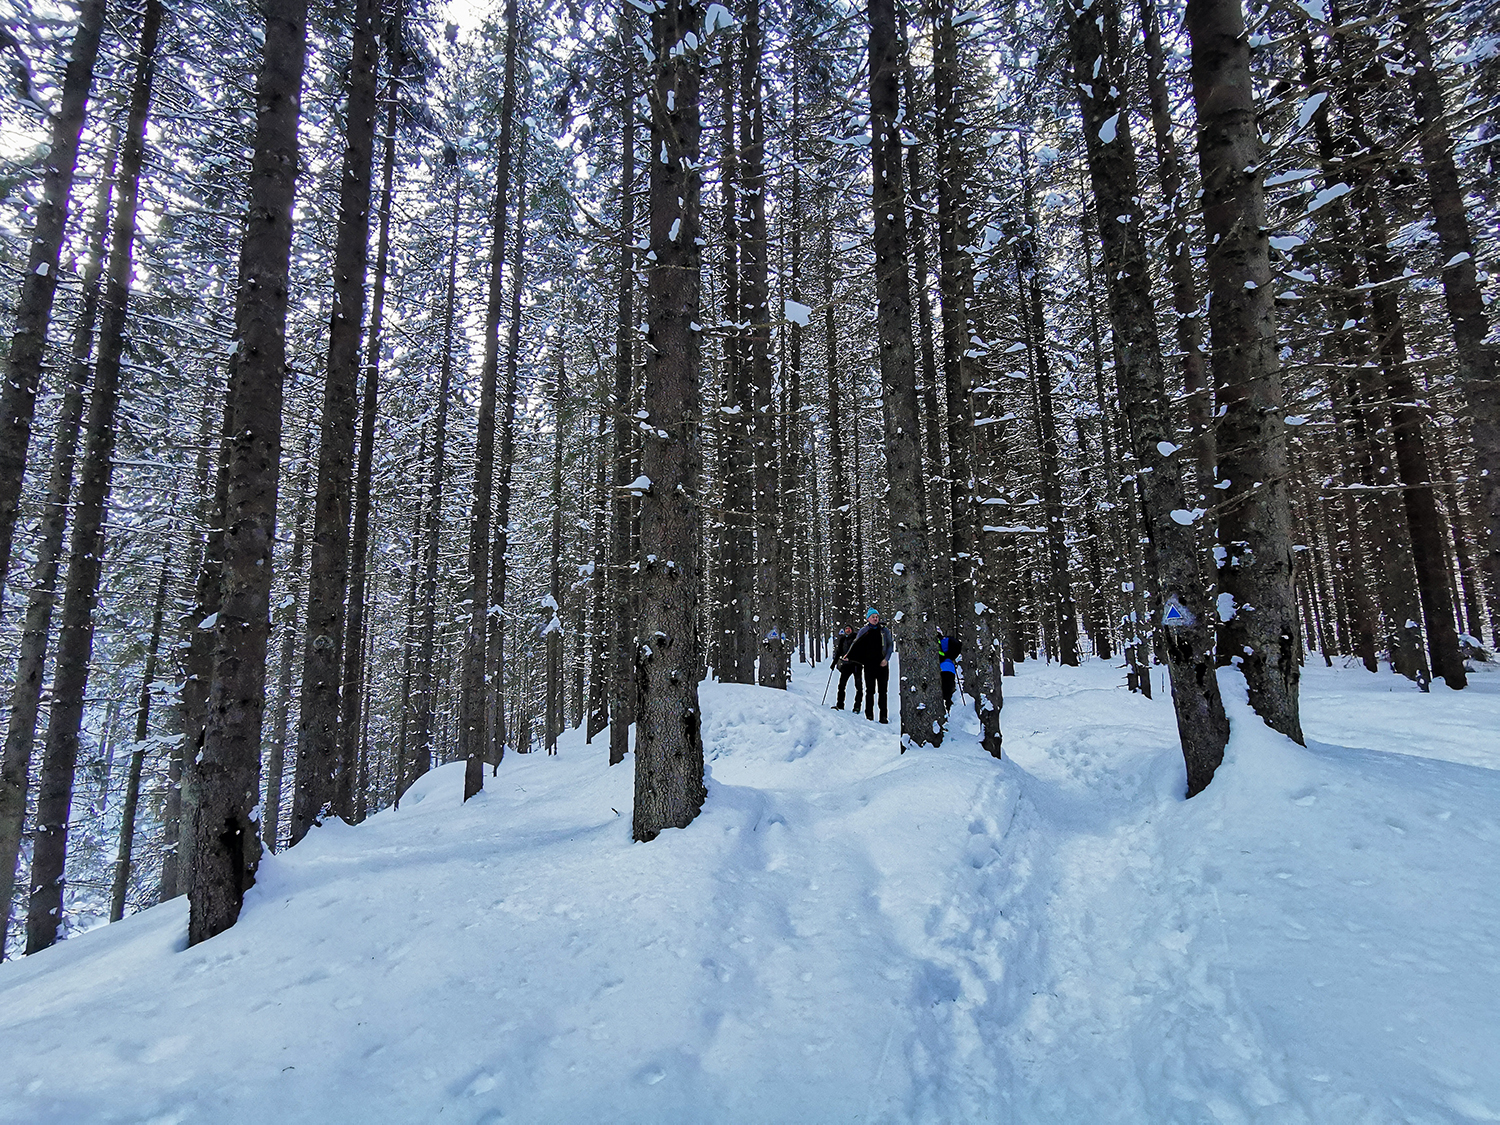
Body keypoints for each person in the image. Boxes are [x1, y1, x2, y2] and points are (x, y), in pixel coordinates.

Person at [847, 608, 893, 723]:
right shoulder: (864, 630)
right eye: (873, 617)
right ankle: (869, 716)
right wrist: (850, 656)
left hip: (882, 665)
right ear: (868, 618)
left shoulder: (884, 631)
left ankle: (883, 716)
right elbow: (856, 645)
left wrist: (886, 659)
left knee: (883, 691)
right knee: (870, 691)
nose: (875, 618)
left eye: (877, 616)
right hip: (869, 665)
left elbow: (890, 646)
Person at [831, 624, 862, 712]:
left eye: (849, 629)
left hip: (856, 665)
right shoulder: (843, 639)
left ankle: (857, 707)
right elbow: (839, 652)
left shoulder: (856, 638)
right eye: (846, 629)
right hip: (846, 665)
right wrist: (834, 664)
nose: (847, 630)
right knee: (841, 685)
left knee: (858, 686)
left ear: (852, 630)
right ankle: (840, 705)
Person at [938, 632, 962, 712]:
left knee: (942, 691)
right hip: (950, 667)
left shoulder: (938, 642)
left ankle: (944, 710)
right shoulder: (948, 641)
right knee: (948, 691)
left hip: (942, 668)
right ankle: (949, 710)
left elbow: (939, 654)